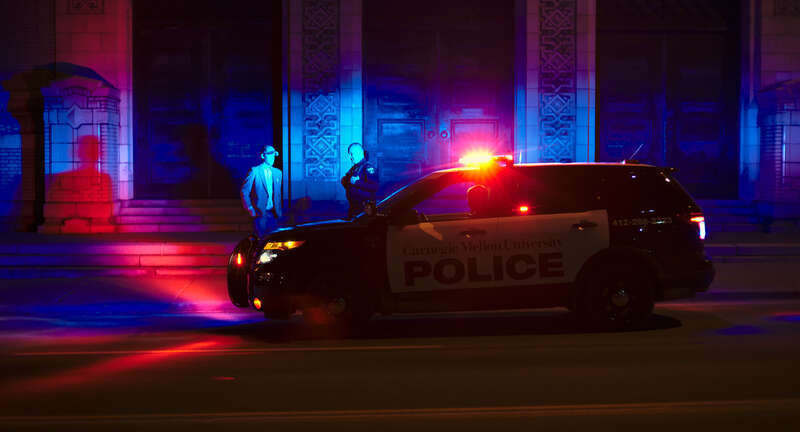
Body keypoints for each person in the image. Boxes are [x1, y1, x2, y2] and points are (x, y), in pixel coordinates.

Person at [241, 145, 282, 237]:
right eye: (270, 154)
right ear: (263, 156)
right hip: (260, 213)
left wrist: (279, 212)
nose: (273, 157)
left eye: (274, 154)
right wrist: (250, 208)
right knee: (260, 240)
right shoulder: (254, 171)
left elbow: (278, 194)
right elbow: (245, 191)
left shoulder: (278, 173)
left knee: (273, 241)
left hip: (274, 214)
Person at [341, 142, 378, 218]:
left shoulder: (367, 167)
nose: (350, 157)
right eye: (349, 154)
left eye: (351, 154)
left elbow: (374, 186)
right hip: (354, 207)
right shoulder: (355, 168)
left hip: (363, 210)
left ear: (359, 152)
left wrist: (357, 182)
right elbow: (346, 180)